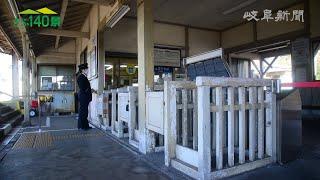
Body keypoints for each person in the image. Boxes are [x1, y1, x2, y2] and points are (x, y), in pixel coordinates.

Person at [76, 63, 92, 130]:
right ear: (83, 70)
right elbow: (83, 87)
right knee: (83, 112)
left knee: (84, 111)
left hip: (84, 96)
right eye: (86, 69)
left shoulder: (83, 76)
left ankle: (84, 126)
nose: (88, 70)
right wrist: (88, 90)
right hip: (83, 96)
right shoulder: (81, 77)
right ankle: (83, 126)